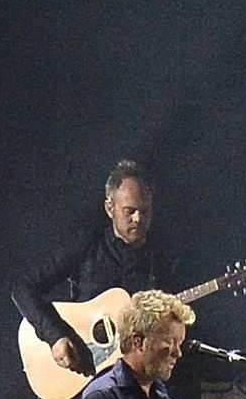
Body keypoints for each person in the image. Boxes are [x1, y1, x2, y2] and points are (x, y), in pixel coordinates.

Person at [13, 161, 159, 379]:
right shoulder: (88, 244)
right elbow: (23, 289)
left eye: (145, 211)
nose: (138, 219)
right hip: (85, 378)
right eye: (130, 211)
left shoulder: (161, 259)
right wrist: (56, 337)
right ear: (110, 208)